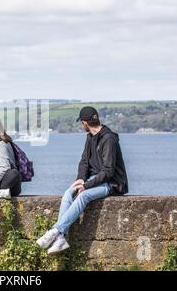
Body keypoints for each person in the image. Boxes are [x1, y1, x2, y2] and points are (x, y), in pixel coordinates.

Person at [36, 106, 128, 255]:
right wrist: (80, 179)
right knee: (68, 193)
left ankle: (55, 231)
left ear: (85, 123)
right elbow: (84, 161)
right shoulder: (90, 137)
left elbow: (109, 171)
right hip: (94, 180)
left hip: (112, 183)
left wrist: (86, 185)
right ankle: (61, 239)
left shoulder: (109, 138)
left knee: (83, 195)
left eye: (82, 123)